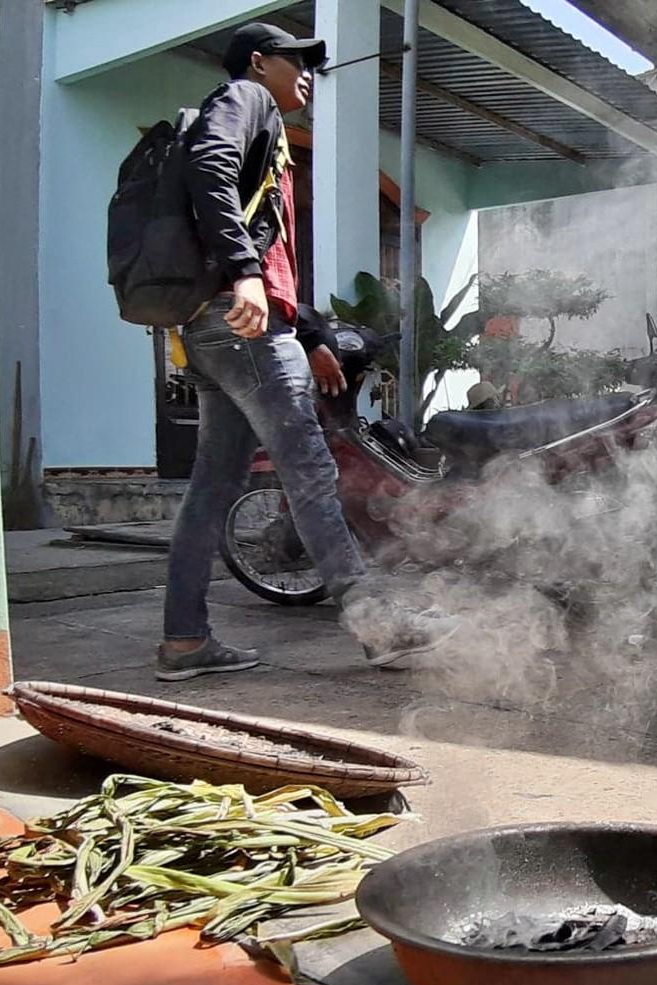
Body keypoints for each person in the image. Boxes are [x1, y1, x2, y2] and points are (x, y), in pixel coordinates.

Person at [159, 22, 457, 680]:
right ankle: (380, 629)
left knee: (212, 486)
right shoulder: (246, 101)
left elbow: (260, 238)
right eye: (297, 60)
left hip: (211, 330)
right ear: (259, 61)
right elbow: (212, 168)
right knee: (314, 475)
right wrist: (242, 272)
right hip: (244, 323)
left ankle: (184, 640)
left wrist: (311, 332)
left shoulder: (252, 117)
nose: (306, 74)